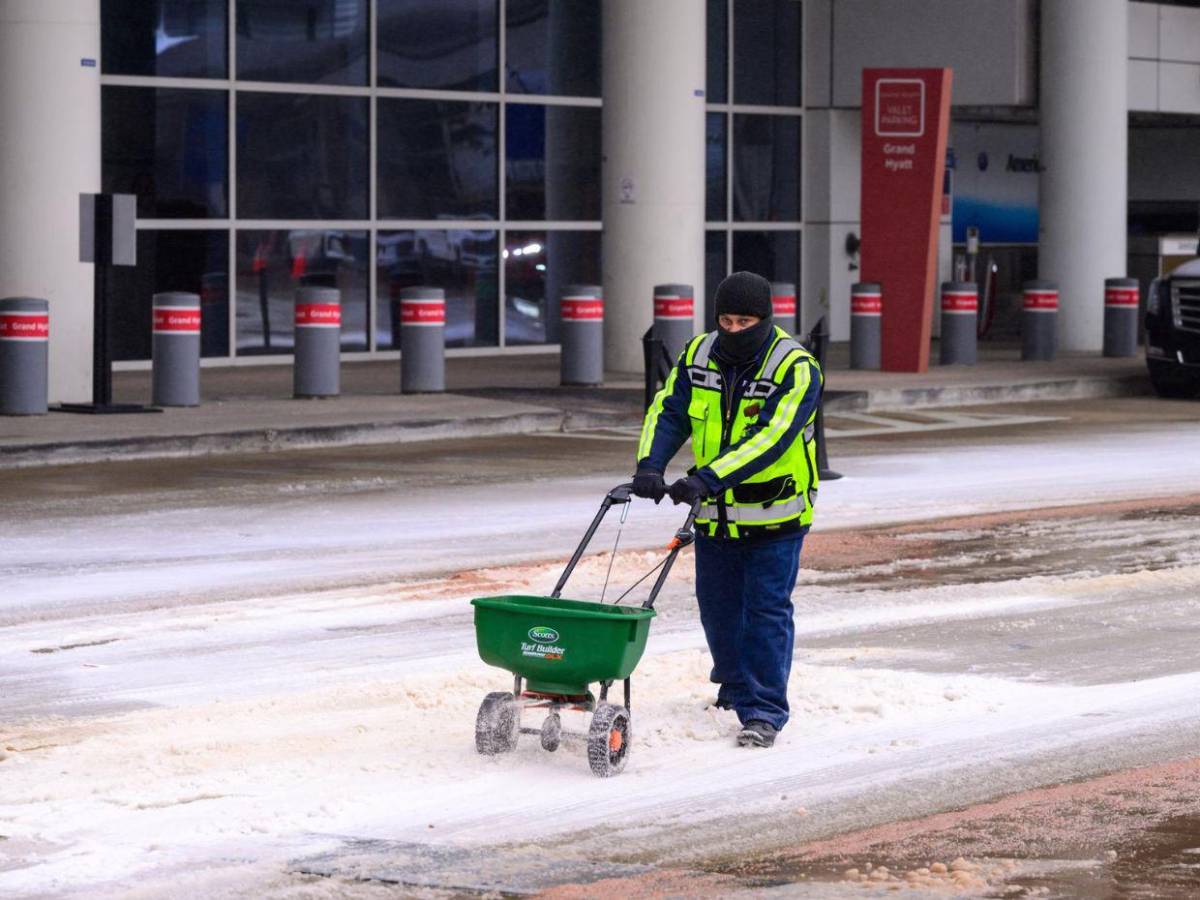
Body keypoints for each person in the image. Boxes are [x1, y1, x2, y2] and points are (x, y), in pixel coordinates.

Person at [632, 271, 823, 748]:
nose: (733, 330)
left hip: (774, 515)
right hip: (715, 517)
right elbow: (670, 409)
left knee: (765, 611)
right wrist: (650, 467)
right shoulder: (698, 354)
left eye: (744, 321)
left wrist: (705, 478)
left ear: (764, 319)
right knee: (718, 610)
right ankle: (735, 690)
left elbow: (771, 440)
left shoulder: (796, 368)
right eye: (726, 320)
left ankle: (763, 711)